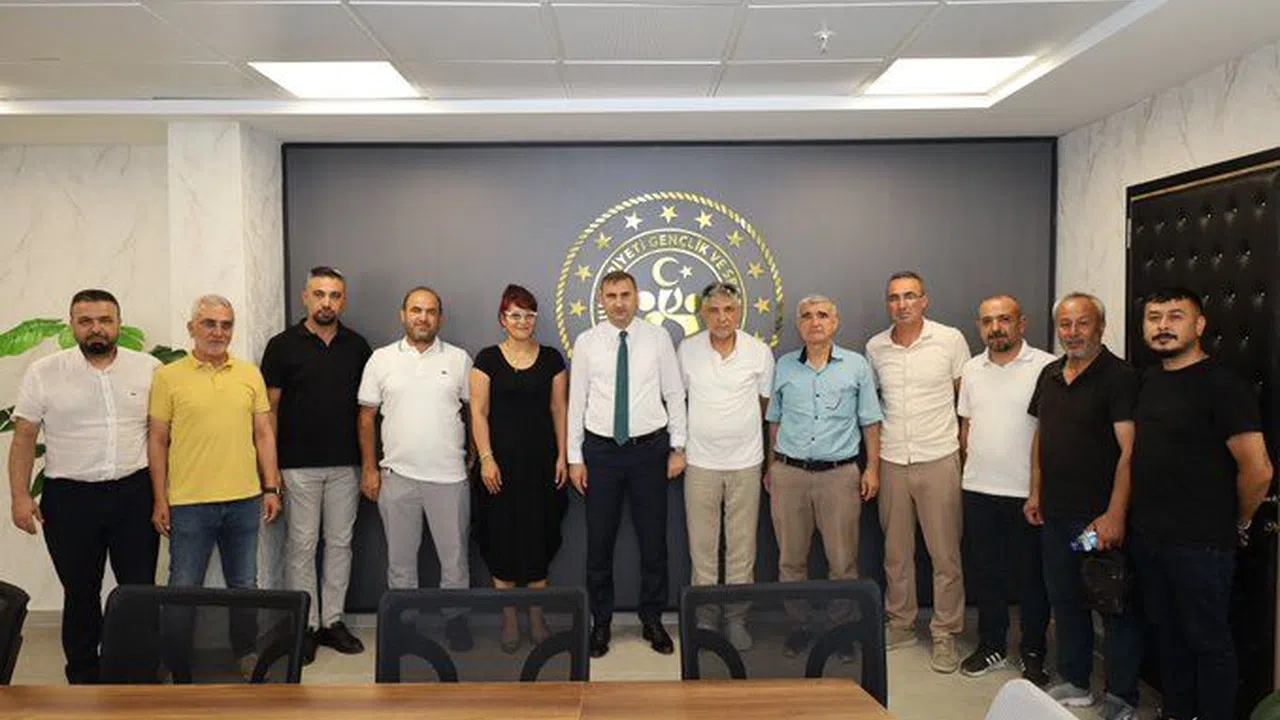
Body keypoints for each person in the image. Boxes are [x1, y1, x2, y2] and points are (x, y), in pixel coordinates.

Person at [1130, 286, 1273, 720]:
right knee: (1168, 638)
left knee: (1208, 644)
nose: (1163, 326)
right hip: (1150, 539)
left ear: (1200, 325)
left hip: (1201, 544)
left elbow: (1259, 469)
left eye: (1175, 316)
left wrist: (1239, 521)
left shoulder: (1223, 386)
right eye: (1154, 317)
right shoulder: (1149, 379)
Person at [8, 289, 160, 684]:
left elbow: (162, 436)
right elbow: (24, 437)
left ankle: (136, 675)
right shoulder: (45, 372)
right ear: (73, 324)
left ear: (119, 324)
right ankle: (83, 677)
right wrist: (21, 497)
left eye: (105, 320)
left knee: (138, 591)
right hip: (70, 499)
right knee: (80, 591)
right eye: (86, 321)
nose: (97, 329)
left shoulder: (149, 369)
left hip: (134, 495)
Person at [148, 295, 283, 674]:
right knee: (183, 586)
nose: (218, 332)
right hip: (189, 503)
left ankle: (246, 653)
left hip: (244, 500)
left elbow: (264, 434)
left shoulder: (249, 374)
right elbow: (157, 440)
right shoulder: (168, 377)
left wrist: (270, 487)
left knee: (244, 584)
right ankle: (177, 661)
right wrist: (160, 499)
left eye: (226, 325)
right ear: (191, 327)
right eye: (209, 323)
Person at [1025, 292, 1144, 719]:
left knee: (1112, 603)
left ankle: (1122, 695)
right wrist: (1036, 492)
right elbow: (1042, 437)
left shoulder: (1120, 377)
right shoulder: (1050, 374)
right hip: (1057, 515)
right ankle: (1075, 681)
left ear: (1101, 327)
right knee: (1066, 596)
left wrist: (1114, 514)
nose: (1073, 332)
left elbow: (1130, 451)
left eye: (1083, 323)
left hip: (1097, 520)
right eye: (1065, 324)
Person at [567, 270, 687, 658]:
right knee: (599, 544)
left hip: (649, 452)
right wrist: (574, 458)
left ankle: (652, 619)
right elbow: (577, 401)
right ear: (601, 300)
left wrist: (679, 446)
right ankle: (600, 623)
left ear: (637, 297)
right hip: (601, 453)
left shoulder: (658, 338)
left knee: (654, 542)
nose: (619, 303)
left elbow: (674, 393)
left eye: (625, 295)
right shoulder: (587, 342)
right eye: (611, 296)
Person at [260, 266, 372, 663]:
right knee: (301, 546)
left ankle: (332, 621)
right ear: (305, 297)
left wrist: (368, 465)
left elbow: (367, 412)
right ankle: (306, 625)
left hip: (346, 465)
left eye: (335, 295)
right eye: (320, 294)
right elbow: (269, 412)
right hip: (297, 466)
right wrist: (271, 472)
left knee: (340, 544)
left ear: (344, 300)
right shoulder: (281, 346)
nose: (327, 302)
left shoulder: (357, 347)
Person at [765, 294, 882, 658]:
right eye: (807, 316)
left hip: (839, 476)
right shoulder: (784, 365)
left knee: (843, 561)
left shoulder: (856, 365)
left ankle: (841, 631)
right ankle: (799, 626)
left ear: (835, 321)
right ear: (799, 324)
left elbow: (870, 421)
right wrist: (771, 465)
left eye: (822, 315)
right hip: (789, 474)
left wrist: (872, 468)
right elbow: (774, 420)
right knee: (790, 560)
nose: (815, 322)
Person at [865, 271, 970, 674]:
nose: (902, 304)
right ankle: (901, 623)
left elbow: (966, 401)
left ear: (924, 300)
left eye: (910, 296)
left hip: (939, 456)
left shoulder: (950, 340)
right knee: (896, 553)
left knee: (945, 555)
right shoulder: (875, 347)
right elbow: (873, 406)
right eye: (894, 298)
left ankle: (945, 632)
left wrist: (965, 452)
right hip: (892, 459)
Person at [358, 286, 474, 650]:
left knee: (454, 560)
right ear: (403, 315)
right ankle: (404, 625)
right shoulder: (380, 359)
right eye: (416, 310)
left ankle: (456, 620)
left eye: (430, 311)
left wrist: (472, 454)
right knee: (400, 563)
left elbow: (475, 411)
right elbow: (366, 417)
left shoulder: (459, 359)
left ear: (440, 318)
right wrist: (369, 469)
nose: (423, 318)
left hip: (449, 478)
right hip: (398, 477)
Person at [955, 295, 1054, 683]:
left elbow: (1049, 431)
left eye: (1004, 319)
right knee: (986, 575)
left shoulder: (1046, 366)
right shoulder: (971, 369)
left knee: (1032, 579)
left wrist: (1038, 488)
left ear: (1021, 323)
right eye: (987, 321)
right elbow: (966, 427)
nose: (995, 328)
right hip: (978, 488)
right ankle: (991, 645)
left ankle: (1033, 651)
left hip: (1026, 492)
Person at [469, 284, 569, 653]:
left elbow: (559, 410)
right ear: (503, 319)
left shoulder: (552, 359)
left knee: (538, 540)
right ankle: (510, 619)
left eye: (528, 315)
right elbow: (478, 412)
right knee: (501, 540)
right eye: (515, 314)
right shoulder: (486, 359)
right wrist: (486, 458)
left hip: (542, 467)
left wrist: (562, 455)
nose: (522, 321)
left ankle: (537, 617)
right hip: (498, 470)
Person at [678, 282, 775, 652]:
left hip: (746, 463)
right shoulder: (687, 350)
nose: (722, 318)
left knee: (741, 550)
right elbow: (677, 401)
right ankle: (704, 619)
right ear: (703, 313)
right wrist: (679, 448)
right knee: (702, 550)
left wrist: (763, 455)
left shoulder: (758, 352)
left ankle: (736, 619)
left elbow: (767, 408)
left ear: (739, 312)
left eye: (729, 310)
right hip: (700, 463)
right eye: (714, 310)